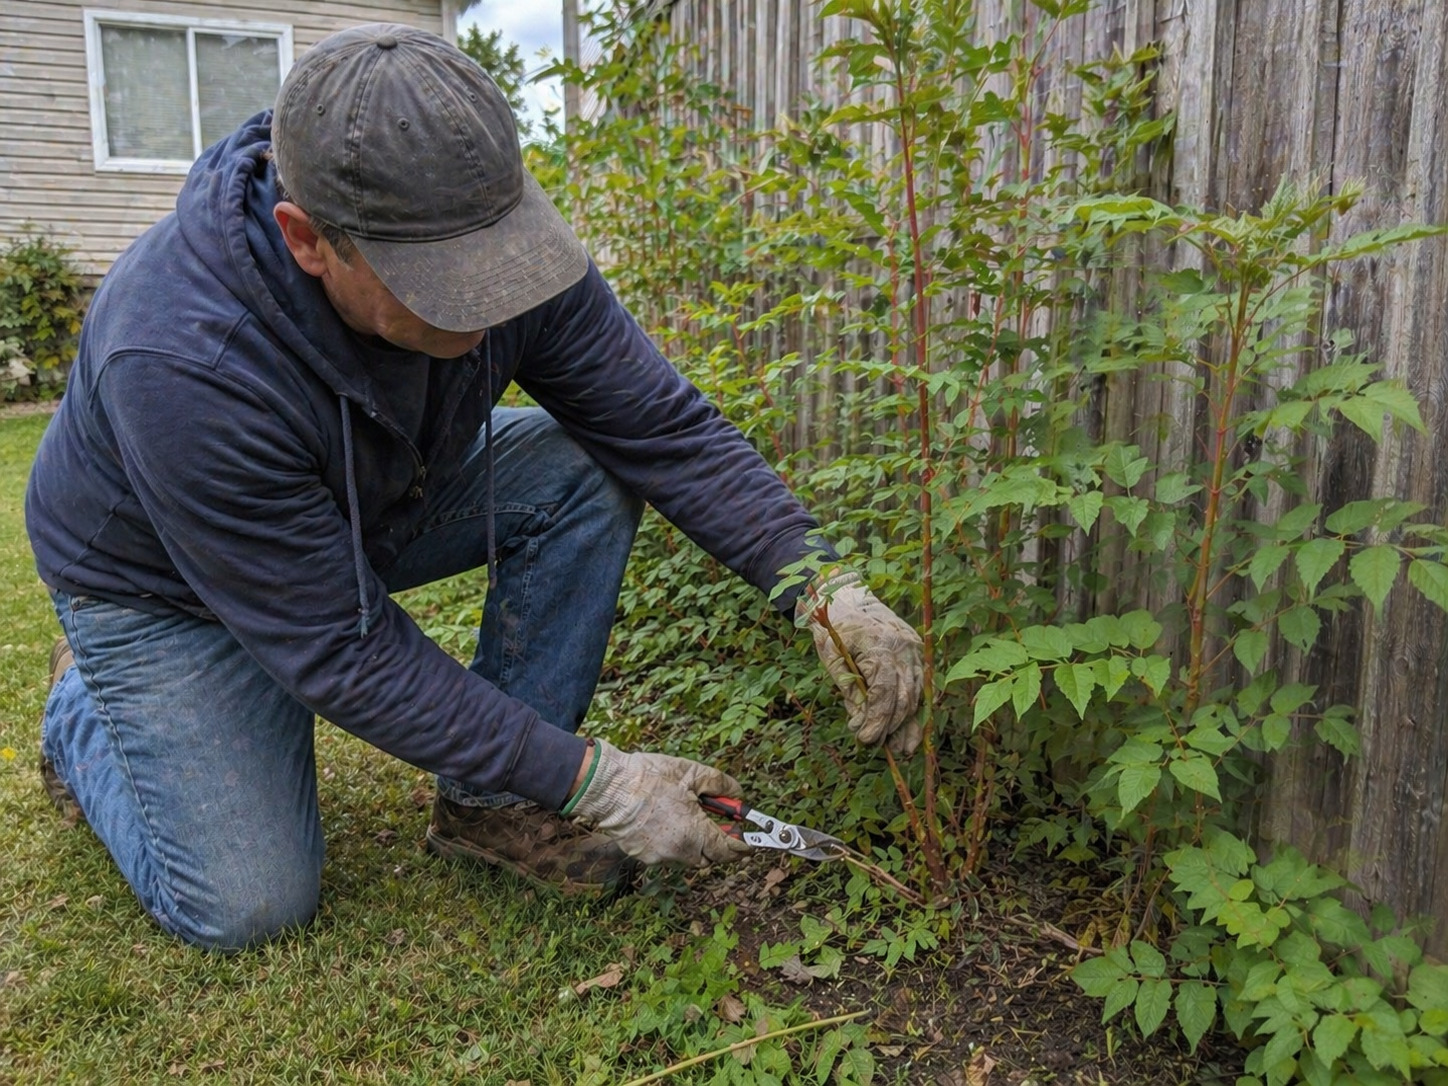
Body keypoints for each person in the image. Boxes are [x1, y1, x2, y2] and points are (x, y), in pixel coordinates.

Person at [25, 23, 923, 951]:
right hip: (158, 584)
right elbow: (345, 648)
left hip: (365, 497)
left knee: (583, 463)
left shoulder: (492, 235)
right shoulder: (179, 358)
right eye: (443, 284)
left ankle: (491, 806)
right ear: (307, 241)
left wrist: (823, 586)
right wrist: (600, 783)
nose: (491, 299)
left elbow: (657, 425)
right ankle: (83, 714)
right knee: (249, 905)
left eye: (494, 260)